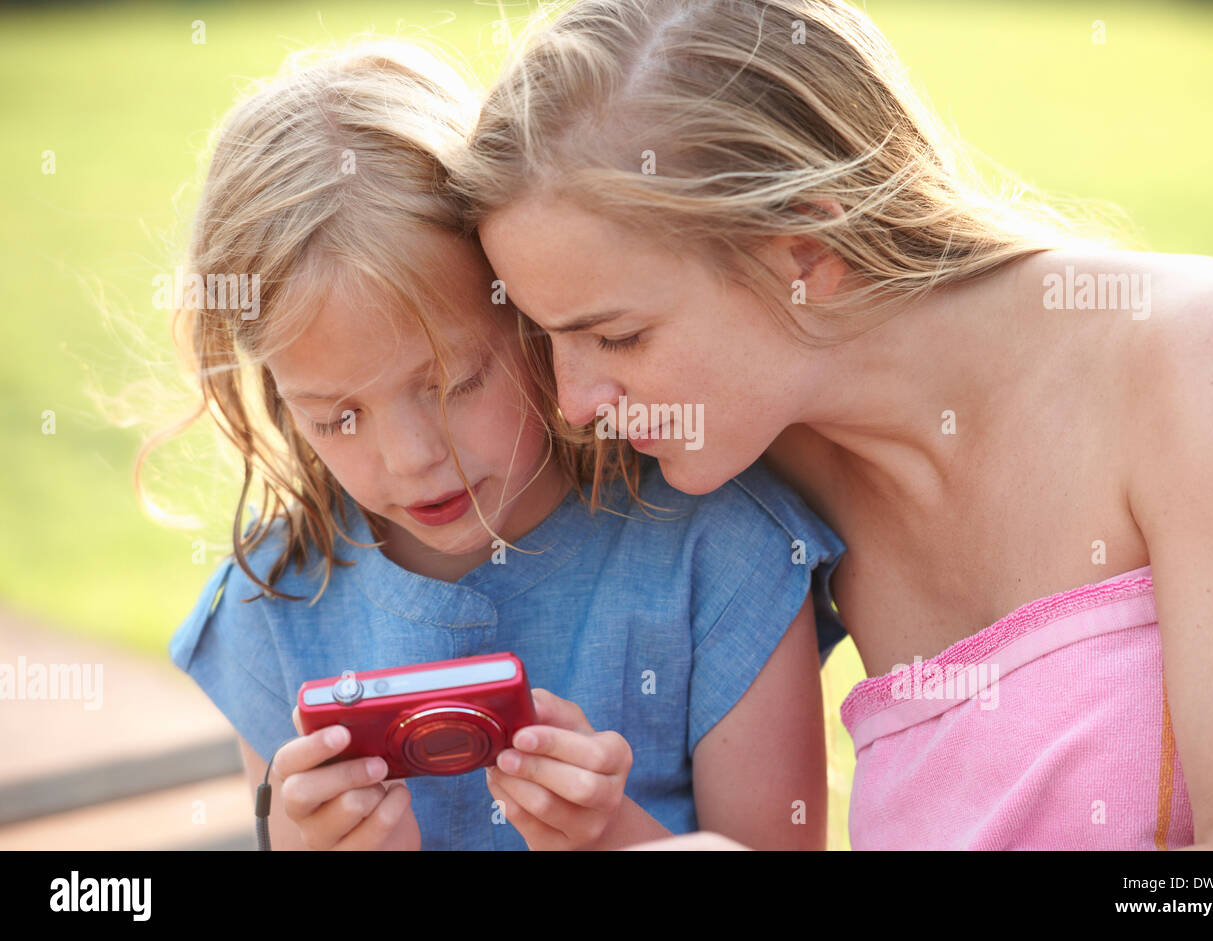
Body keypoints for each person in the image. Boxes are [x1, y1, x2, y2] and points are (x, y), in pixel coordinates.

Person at [452, 0, 1213, 848]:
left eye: (618, 335)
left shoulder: (1212, 364)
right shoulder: (760, 477)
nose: (575, 402)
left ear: (806, 255)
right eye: (547, 335)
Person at [149, 40, 846, 850]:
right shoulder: (274, 606)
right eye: (336, 416)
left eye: (452, 384)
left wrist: (609, 833)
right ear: (278, 395)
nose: (411, 457)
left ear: (532, 312)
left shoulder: (721, 554)